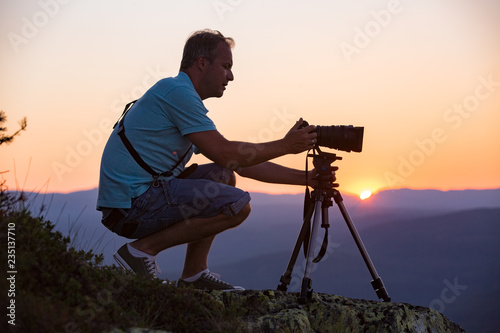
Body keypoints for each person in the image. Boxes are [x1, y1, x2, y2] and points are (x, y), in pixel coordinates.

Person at [97, 29, 326, 291]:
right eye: (226, 66)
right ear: (202, 63)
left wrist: (306, 179)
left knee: (223, 176)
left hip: (132, 201)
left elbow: (237, 163)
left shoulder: (179, 95)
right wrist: (285, 145)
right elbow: (227, 153)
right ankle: (140, 252)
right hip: (131, 206)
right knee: (238, 205)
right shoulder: (177, 94)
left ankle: (194, 274)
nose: (231, 76)